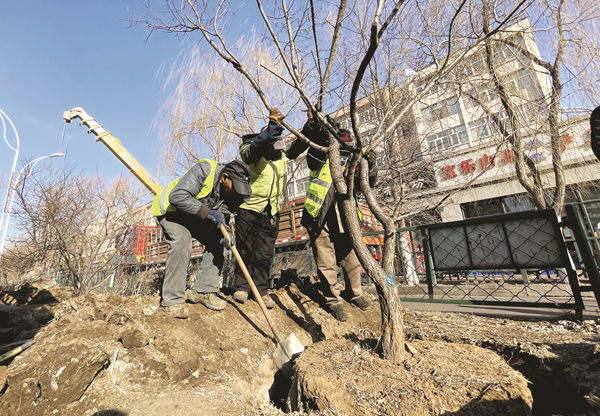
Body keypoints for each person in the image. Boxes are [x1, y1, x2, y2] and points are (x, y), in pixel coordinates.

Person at [288, 111, 378, 322]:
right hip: (319, 213)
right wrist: (319, 130)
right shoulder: (320, 152)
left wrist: (371, 166)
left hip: (345, 215)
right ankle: (333, 301)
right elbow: (311, 159)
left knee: (351, 258)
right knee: (326, 260)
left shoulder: (354, 159)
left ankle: (355, 294)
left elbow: (367, 184)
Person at [151, 158, 252, 318]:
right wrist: (208, 213)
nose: (236, 192)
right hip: (172, 212)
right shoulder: (205, 170)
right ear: (224, 177)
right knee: (182, 244)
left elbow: (221, 221)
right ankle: (171, 301)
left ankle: (203, 291)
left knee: (218, 242)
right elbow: (177, 196)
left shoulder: (231, 192)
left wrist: (227, 235)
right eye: (235, 187)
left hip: (194, 216)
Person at [232, 108, 300, 308]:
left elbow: (299, 145)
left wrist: (313, 127)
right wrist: (273, 125)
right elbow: (257, 147)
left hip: (270, 212)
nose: (278, 150)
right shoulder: (251, 151)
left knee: (264, 253)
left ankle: (261, 290)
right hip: (249, 208)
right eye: (274, 146)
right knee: (246, 250)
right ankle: (242, 287)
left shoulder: (281, 157)